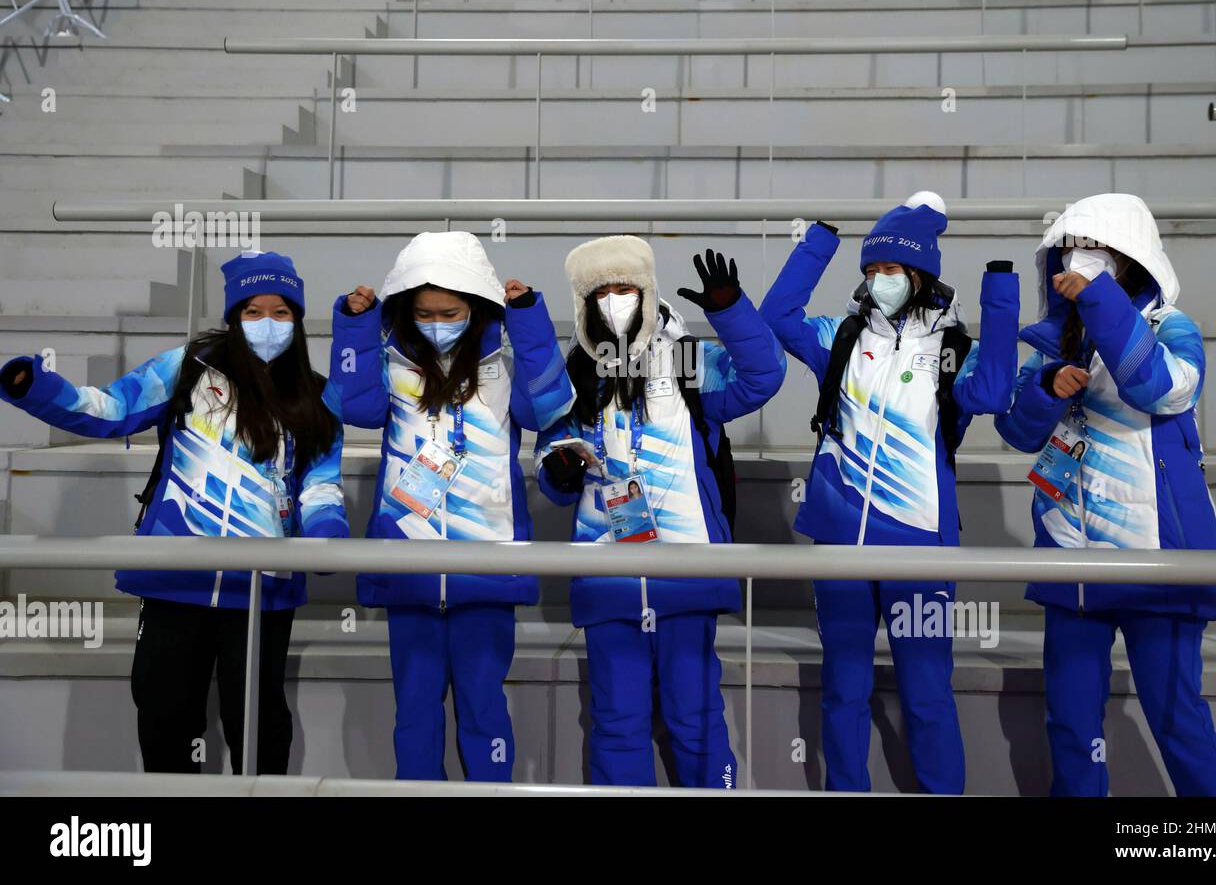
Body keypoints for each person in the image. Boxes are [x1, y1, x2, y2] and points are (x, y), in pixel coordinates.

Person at [0, 250, 348, 774]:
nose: (268, 324)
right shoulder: (187, 367)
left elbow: (320, 484)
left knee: (258, 726)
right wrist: (41, 388)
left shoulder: (318, 395)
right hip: (173, 576)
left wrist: (327, 535)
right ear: (233, 318)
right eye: (253, 312)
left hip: (262, 590)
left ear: (298, 321)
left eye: (282, 312)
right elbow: (112, 409)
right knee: (164, 716)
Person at [758, 192, 1021, 793]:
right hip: (839, 541)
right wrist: (819, 243)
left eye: (892, 270)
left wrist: (1000, 300)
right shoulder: (843, 338)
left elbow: (993, 395)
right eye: (871, 270)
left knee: (927, 692)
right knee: (843, 689)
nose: (879, 280)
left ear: (921, 275)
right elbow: (777, 317)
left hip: (920, 548)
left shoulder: (952, 349)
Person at [994, 192, 1216, 797]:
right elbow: (1017, 431)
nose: (1081, 257)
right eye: (1072, 247)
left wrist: (1099, 300)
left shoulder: (1174, 329)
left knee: (1178, 719)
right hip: (1073, 555)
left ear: (1131, 259)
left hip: (1161, 558)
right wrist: (1048, 385)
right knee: (1072, 725)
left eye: (1097, 248)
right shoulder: (1056, 343)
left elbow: (1159, 388)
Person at [535, 238, 785, 788]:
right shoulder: (576, 374)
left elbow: (762, 378)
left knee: (696, 721)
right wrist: (560, 469)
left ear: (647, 293)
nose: (614, 300)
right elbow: (549, 471)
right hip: (608, 579)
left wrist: (729, 311)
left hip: (689, 575)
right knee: (617, 724)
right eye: (600, 291)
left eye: (624, 288)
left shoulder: (687, 360)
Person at [330, 231, 573, 782]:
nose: (437, 321)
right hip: (407, 571)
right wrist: (354, 325)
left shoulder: (505, 370)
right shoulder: (392, 367)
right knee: (414, 717)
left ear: (477, 307)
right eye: (423, 312)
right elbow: (356, 407)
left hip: (487, 572)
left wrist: (529, 318)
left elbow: (549, 405)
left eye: (451, 311)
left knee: (485, 714)